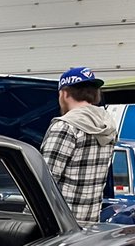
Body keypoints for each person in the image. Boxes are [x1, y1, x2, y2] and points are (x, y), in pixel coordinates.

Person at [40, 67, 117, 224]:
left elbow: (45, 181)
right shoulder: (108, 125)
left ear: (64, 93)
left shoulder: (65, 126)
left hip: (61, 223)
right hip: (90, 219)